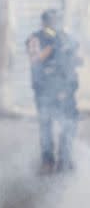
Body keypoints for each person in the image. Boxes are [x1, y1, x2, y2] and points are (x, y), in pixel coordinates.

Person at [25, 9, 81, 174]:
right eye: (51, 22)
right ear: (43, 23)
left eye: (56, 22)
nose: (54, 25)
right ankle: (47, 161)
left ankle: (65, 160)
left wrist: (72, 57)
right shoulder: (35, 38)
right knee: (46, 125)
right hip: (45, 92)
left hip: (66, 90)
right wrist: (52, 47)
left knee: (69, 125)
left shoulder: (66, 37)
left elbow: (75, 59)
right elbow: (35, 60)